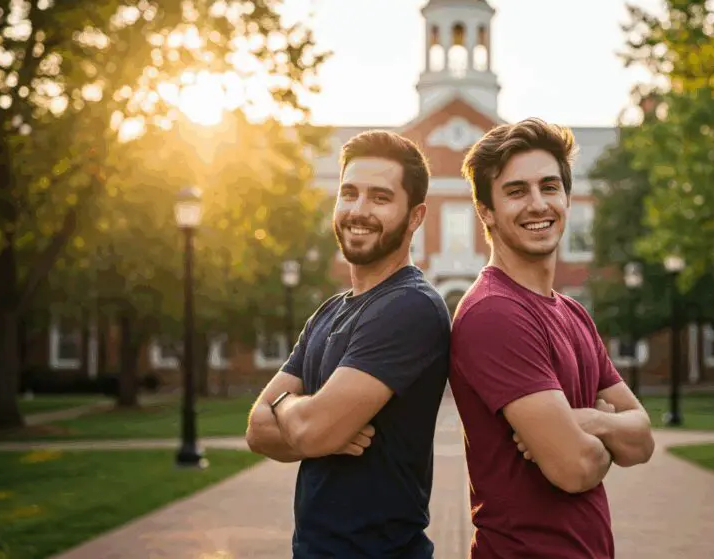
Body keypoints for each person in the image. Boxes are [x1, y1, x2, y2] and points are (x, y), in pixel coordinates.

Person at [448, 118, 657, 558]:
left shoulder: (572, 313)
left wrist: (589, 422)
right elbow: (574, 467)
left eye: (549, 186)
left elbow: (643, 441)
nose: (538, 204)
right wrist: (602, 438)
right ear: (485, 210)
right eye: (516, 191)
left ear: (566, 196)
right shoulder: (494, 313)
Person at [245, 130, 451, 559]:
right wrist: (313, 429)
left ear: (415, 217)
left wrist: (295, 416)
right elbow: (256, 431)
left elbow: (306, 429)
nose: (359, 210)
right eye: (349, 193)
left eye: (380, 197)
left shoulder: (410, 307)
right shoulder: (329, 312)